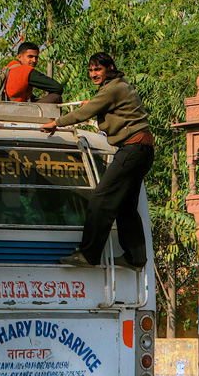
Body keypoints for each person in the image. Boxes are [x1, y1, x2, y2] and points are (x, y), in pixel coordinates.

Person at [40, 52, 153, 269]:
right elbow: (103, 106)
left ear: (110, 68)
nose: (93, 74)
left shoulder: (112, 88)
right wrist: (92, 103)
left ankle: (88, 255)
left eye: (97, 69)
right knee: (126, 206)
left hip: (132, 149)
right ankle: (136, 258)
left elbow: (86, 112)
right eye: (91, 70)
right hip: (142, 150)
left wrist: (57, 122)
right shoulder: (120, 85)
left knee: (100, 198)